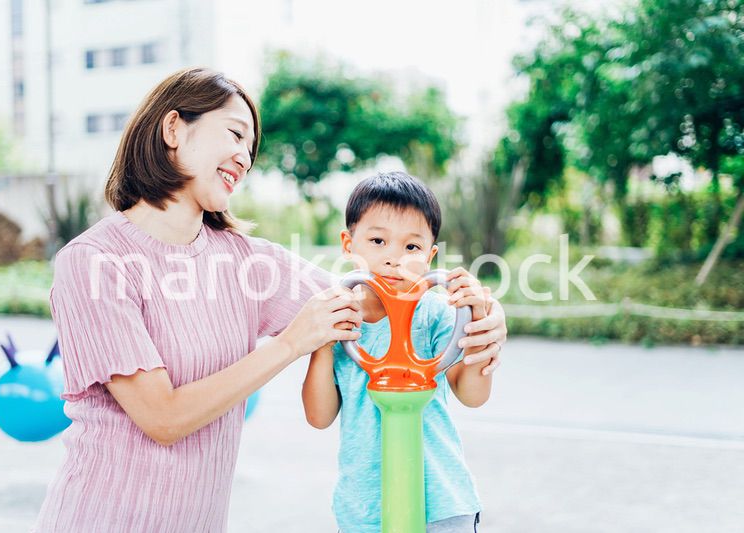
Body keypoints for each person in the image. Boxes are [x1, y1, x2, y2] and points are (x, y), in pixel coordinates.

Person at [33, 68, 507, 532]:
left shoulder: (248, 263)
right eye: (235, 134)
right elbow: (163, 417)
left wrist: (487, 313)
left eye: (250, 148)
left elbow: (381, 298)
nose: (244, 157)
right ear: (174, 128)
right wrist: (289, 345)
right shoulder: (92, 262)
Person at [302, 172, 505, 533]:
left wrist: (478, 323)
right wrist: (321, 345)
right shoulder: (339, 320)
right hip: (366, 510)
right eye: (378, 240)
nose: (394, 258)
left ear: (430, 255)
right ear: (348, 244)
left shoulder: (435, 314)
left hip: (440, 504)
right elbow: (319, 416)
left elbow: (472, 396)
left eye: (411, 247)